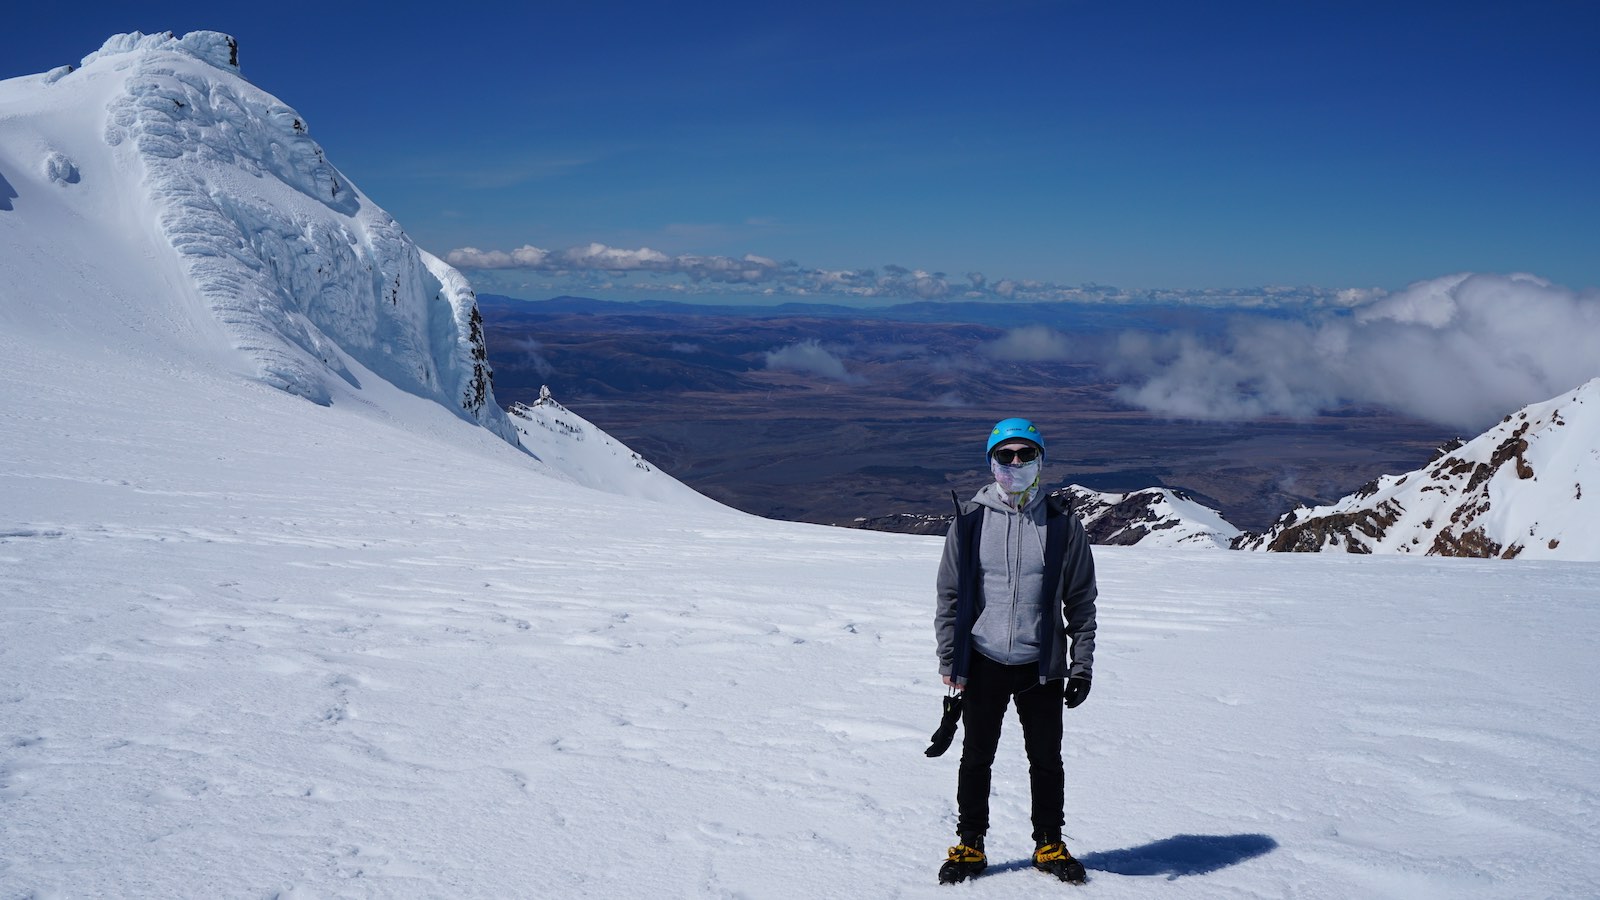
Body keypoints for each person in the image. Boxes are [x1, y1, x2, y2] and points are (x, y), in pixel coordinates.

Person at [933, 417, 1098, 884]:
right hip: (983, 660)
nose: (1015, 463)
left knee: (1046, 758)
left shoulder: (1063, 524)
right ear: (991, 461)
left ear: (1040, 460)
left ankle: (1049, 842)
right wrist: (951, 660)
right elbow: (949, 596)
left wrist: (1080, 665)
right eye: (1005, 455)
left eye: (1025, 455)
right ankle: (970, 843)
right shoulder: (969, 522)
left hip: (1040, 664)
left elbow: (1081, 600)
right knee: (976, 757)